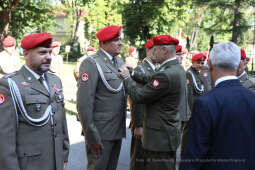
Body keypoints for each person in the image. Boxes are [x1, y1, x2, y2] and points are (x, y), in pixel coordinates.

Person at [180, 42, 255, 170]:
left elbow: (193, 156)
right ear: (238, 66)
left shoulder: (205, 103)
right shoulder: (252, 98)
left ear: (209, 64)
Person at [0, 32, 70, 170]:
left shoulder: (55, 81)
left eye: (50, 52)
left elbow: (61, 122)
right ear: (26, 54)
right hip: (30, 165)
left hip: (55, 160)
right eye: (42, 52)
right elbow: (4, 140)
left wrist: (64, 154)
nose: (49, 57)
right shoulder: (10, 85)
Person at [120, 35, 186, 170]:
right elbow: (152, 79)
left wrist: (127, 78)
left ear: (164, 50)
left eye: (155, 50)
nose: (153, 54)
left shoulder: (165, 74)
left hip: (159, 138)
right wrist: (134, 74)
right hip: (168, 134)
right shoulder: (177, 69)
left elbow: (139, 96)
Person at [77, 25, 126, 170]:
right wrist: (91, 135)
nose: (120, 43)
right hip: (101, 132)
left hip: (116, 129)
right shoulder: (91, 63)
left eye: (120, 39)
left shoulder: (119, 62)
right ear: (103, 43)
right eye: (115, 40)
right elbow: (84, 103)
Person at [129, 39, 156, 170]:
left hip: (153, 122)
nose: (156, 52)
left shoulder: (157, 68)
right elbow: (136, 99)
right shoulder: (141, 69)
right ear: (147, 50)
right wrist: (138, 124)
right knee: (138, 160)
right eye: (153, 49)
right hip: (143, 122)